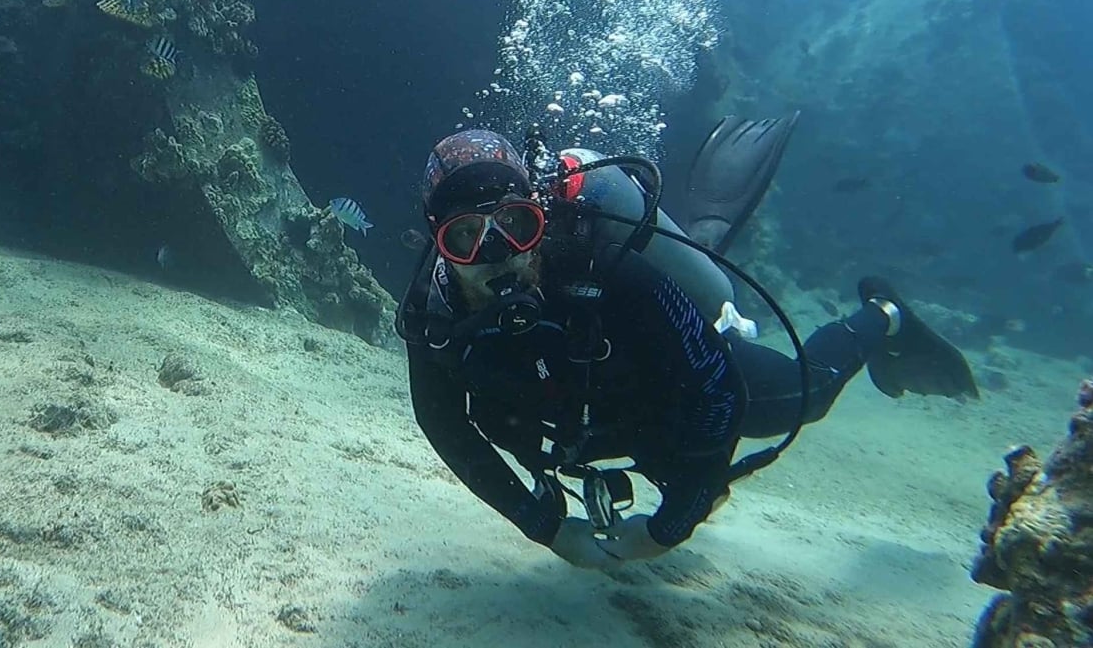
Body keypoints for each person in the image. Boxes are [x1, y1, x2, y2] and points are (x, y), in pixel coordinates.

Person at [396, 121, 978, 567]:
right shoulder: (432, 315)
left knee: (806, 395)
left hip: (663, 396)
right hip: (588, 421)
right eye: (467, 237)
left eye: (517, 225)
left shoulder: (606, 272)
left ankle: (884, 313)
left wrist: (667, 528)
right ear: (438, 245)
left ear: (541, 219)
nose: (499, 253)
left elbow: (715, 389)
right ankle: (707, 235)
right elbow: (441, 422)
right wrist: (540, 525)